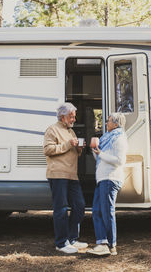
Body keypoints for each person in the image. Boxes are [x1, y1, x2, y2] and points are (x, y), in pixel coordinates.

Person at [43, 102, 88, 254]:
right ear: (62, 117)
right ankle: (61, 243)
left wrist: (79, 149)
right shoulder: (52, 130)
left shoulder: (71, 132)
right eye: (71, 116)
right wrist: (68, 144)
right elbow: (48, 150)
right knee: (61, 209)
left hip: (72, 175)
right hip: (58, 175)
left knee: (80, 206)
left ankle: (72, 239)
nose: (74, 119)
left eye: (74, 116)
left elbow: (72, 151)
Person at [87, 112, 128, 256]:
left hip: (111, 178)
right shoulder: (106, 138)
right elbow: (100, 157)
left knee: (106, 212)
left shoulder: (119, 138)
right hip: (103, 178)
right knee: (97, 211)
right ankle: (102, 243)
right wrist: (95, 150)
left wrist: (101, 154)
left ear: (116, 124)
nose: (106, 123)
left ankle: (111, 245)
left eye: (109, 121)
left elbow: (120, 160)